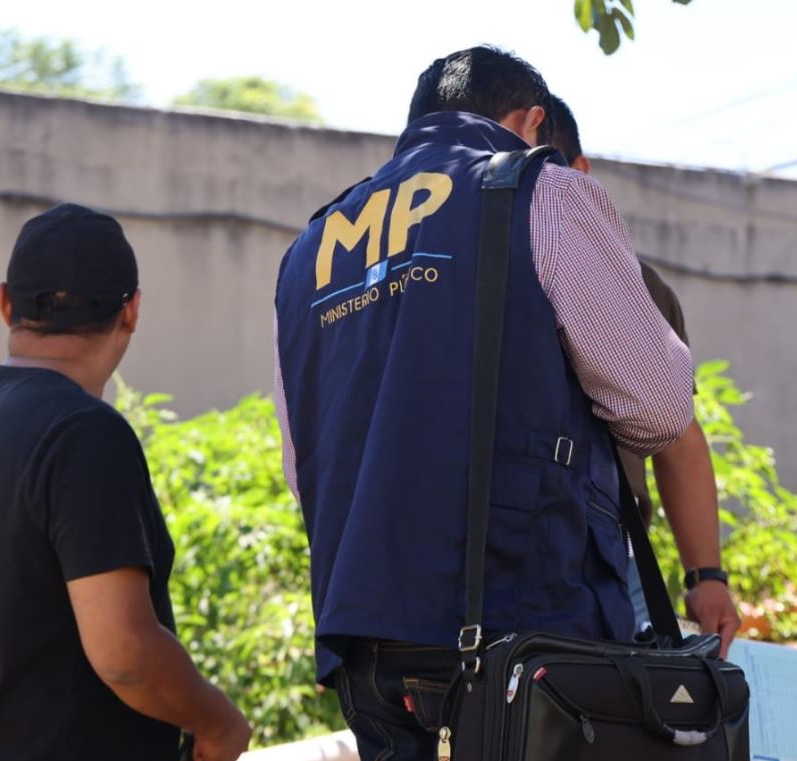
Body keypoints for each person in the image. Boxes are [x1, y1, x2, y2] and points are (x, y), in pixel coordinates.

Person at [273, 46, 700, 760]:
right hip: (523, 629)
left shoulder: (310, 247)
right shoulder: (543, 189)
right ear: (532, 121)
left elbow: (303, 467)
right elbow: (658, 407)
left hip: (367, 646)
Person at [0, 204, 250, 761]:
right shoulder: (86, 433)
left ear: (5, 304)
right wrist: (219, 723)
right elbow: (123, 653)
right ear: (132, 311)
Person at [546, 93, 741, 645]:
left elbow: (677, 436)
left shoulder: (638, 286)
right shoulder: (453, 277)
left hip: (610, 549)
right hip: (490, 553)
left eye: (549, 172)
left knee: (626, 722)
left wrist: (706, 576)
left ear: (580, 175)